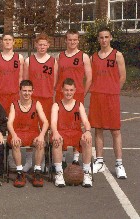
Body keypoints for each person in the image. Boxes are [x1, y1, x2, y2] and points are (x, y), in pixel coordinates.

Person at [89, 27, 127, 179]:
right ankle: (99, 161)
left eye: (106, 37)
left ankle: (119, 164)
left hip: (111, 97)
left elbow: (122, 77)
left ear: (110, 38)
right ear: (98, 39)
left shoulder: (117, 55)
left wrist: (114, 91)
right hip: (97, 96)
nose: (104, 40)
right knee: (98, 129)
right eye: (101, 37)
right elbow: (91, 78)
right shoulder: (93, 57)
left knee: (115, 131)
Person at [55, 29, 92, 166]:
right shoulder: (60, 56)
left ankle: (76, 156)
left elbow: (89, 78)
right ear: (66, 40)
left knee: (76, 125)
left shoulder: (84, 56)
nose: (72, 42)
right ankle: (63, 155)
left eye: (75, 39)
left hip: (76, 95)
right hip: (61, 95)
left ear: (78, 40)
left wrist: (82, 93)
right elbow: (57, 76)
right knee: (61, 124)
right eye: (70, 39)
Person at [23, 33, 57, 172]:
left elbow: (54, 81)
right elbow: (25, 81)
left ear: (48, 45)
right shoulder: (28, 61)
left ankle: (44, 161)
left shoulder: (53, 61)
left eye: (45, 44)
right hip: (33, 100)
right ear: (35, 45)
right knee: (32, 129)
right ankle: (30, 160)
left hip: (47, 99)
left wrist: (47, 91)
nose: (42, 47)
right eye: (40, 44)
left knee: (46, 130)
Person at [51, 78, 93, 188]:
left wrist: (88, 131)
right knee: (56, 140)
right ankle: (59, 173)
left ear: (75, 90)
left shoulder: (79, 105)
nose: (68, 92)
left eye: (71, 90)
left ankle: (86, 173)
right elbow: (53, 122)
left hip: (75, 133)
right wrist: (55, 132)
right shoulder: (56, 105)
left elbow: (85, 121)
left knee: (87, 140)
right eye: (66, 90)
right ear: (62, 90)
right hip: (62, 132)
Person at [0, 33, 24, 172]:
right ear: (1, 42)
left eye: (10, 40)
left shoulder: (19, 58)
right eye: (5, 40)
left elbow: (21, 78)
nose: (7, 42)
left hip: (13, 96)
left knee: (14, 126)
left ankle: (12, 155)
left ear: (13, 42)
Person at [7, 80, 49, 188]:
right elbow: (9, 123)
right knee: (15, 142)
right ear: (20, 91)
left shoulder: (37, 104)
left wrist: (41, 135)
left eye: (29, 91)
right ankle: (20, 172)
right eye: (24, 91)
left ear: (33, 91)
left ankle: (37, 171)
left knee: (40, 143)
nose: (27, 93)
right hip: (18, 133)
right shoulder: (14, 104)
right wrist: (14, 135)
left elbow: (45, 122)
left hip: (33, 133)